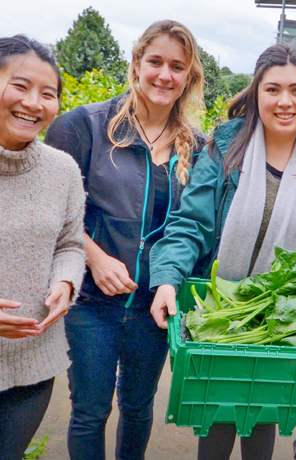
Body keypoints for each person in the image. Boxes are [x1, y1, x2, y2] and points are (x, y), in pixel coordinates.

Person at [146, 43, 296, 460]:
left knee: (264, 417)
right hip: (221, 310)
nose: (285, 101)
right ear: (257, 93)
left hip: (280, 319)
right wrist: (167, 276)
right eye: (273, 89)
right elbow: (191, 223)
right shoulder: (226, 147)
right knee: (216, 420)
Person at [43, 21, 205, 460]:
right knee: (90, 410)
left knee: (137, 407)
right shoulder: (84, 127)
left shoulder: (198, 146)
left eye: (178, 66)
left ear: (189, 78)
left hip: (154, 305)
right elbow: (53, 209)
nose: (164, 75)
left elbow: (194, 228)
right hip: (92, 303)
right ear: (136, 64)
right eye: (155, 62)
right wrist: (94, 258)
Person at [0, 34, 87, 460]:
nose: (34, 103)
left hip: (32, 363)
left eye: (48, 93)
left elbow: (70, 243)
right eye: (20, 86)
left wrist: (67, 282)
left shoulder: (61, 169)